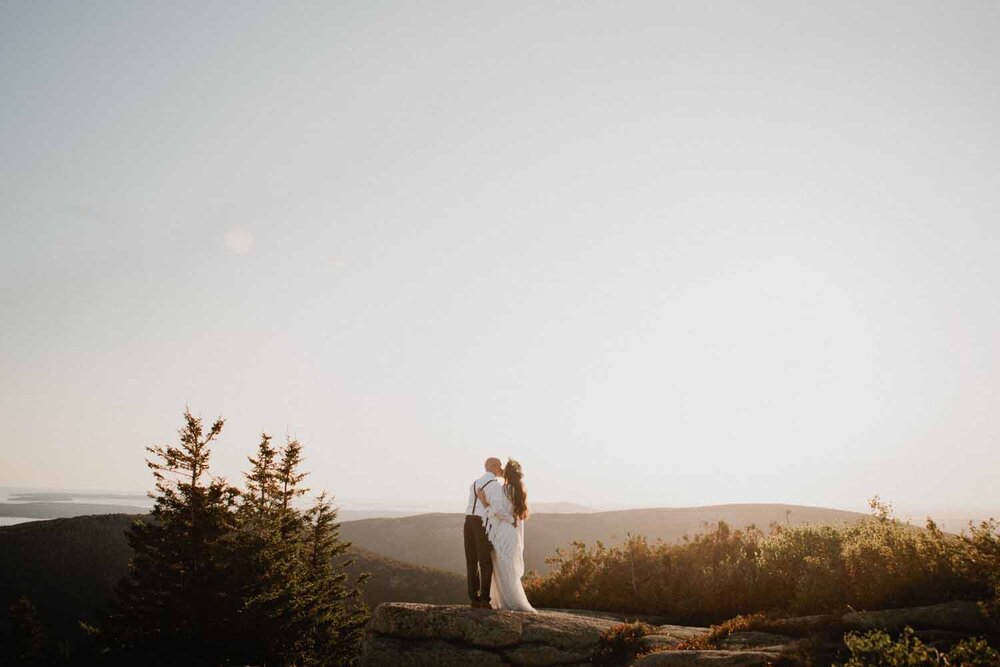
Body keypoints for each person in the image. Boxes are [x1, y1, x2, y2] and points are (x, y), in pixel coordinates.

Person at [476, 458, 536, 612]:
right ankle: (509, 600)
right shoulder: (519, 490)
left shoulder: (505, 489)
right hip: (512, 533)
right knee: (507, 568)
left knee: (501, 568)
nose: (501, 469)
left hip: (504, 532)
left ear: (508, 472)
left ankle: (508, 602)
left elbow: (497, 510)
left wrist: (483, 500)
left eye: (504, 467)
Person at [464, 457, 503, 608]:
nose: (501, 468)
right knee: (485, 561)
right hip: (482, 523)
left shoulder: (474, 483)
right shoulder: (494, 485)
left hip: (468, 521)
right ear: (493, 466)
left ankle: (474, 598)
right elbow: (496, 509)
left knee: (471, 560)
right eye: (499, 465)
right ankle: (485, 599)